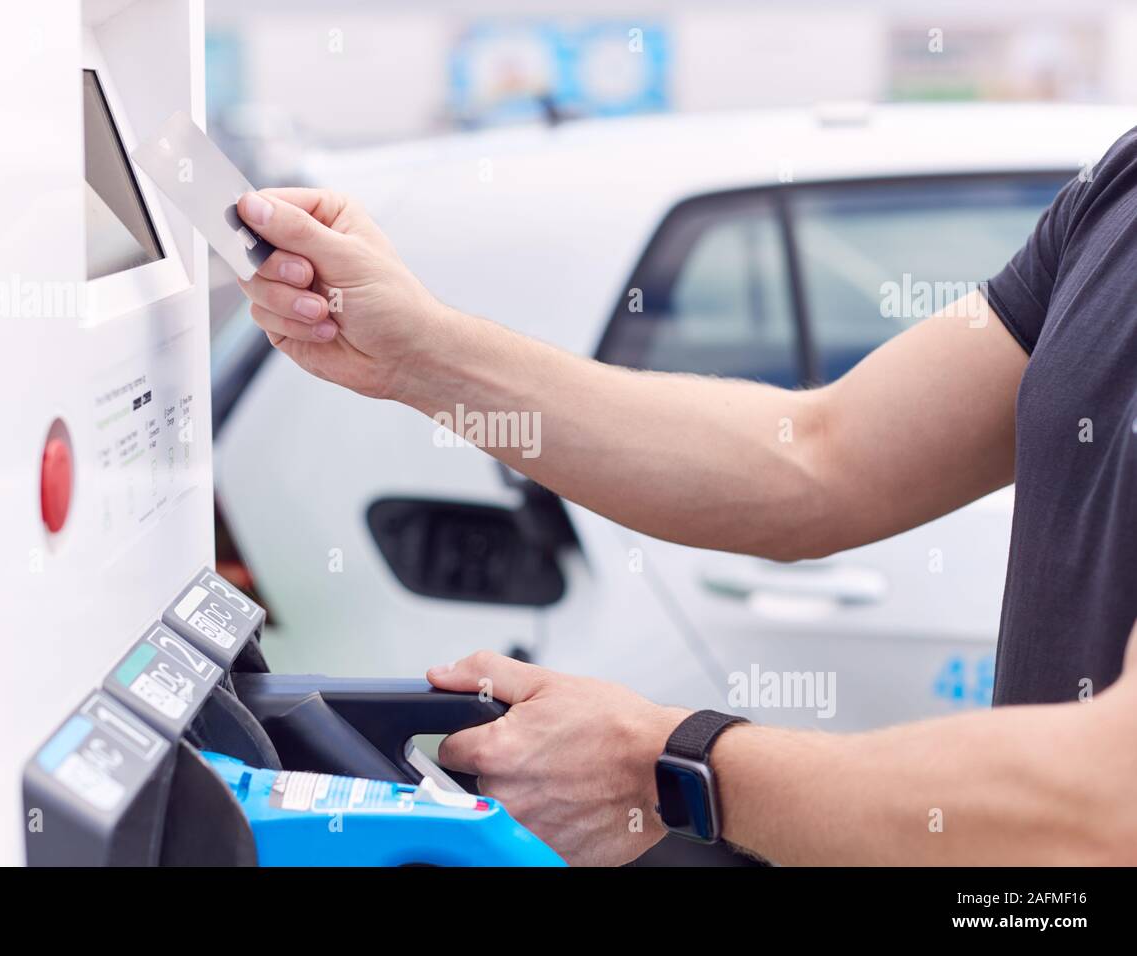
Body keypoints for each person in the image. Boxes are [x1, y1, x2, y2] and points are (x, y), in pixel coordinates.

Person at [232, 128, 1137, 866]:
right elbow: (824, 458)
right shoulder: (1118, 190)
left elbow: (1110, 801)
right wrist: (418, 353)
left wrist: (670, 764)